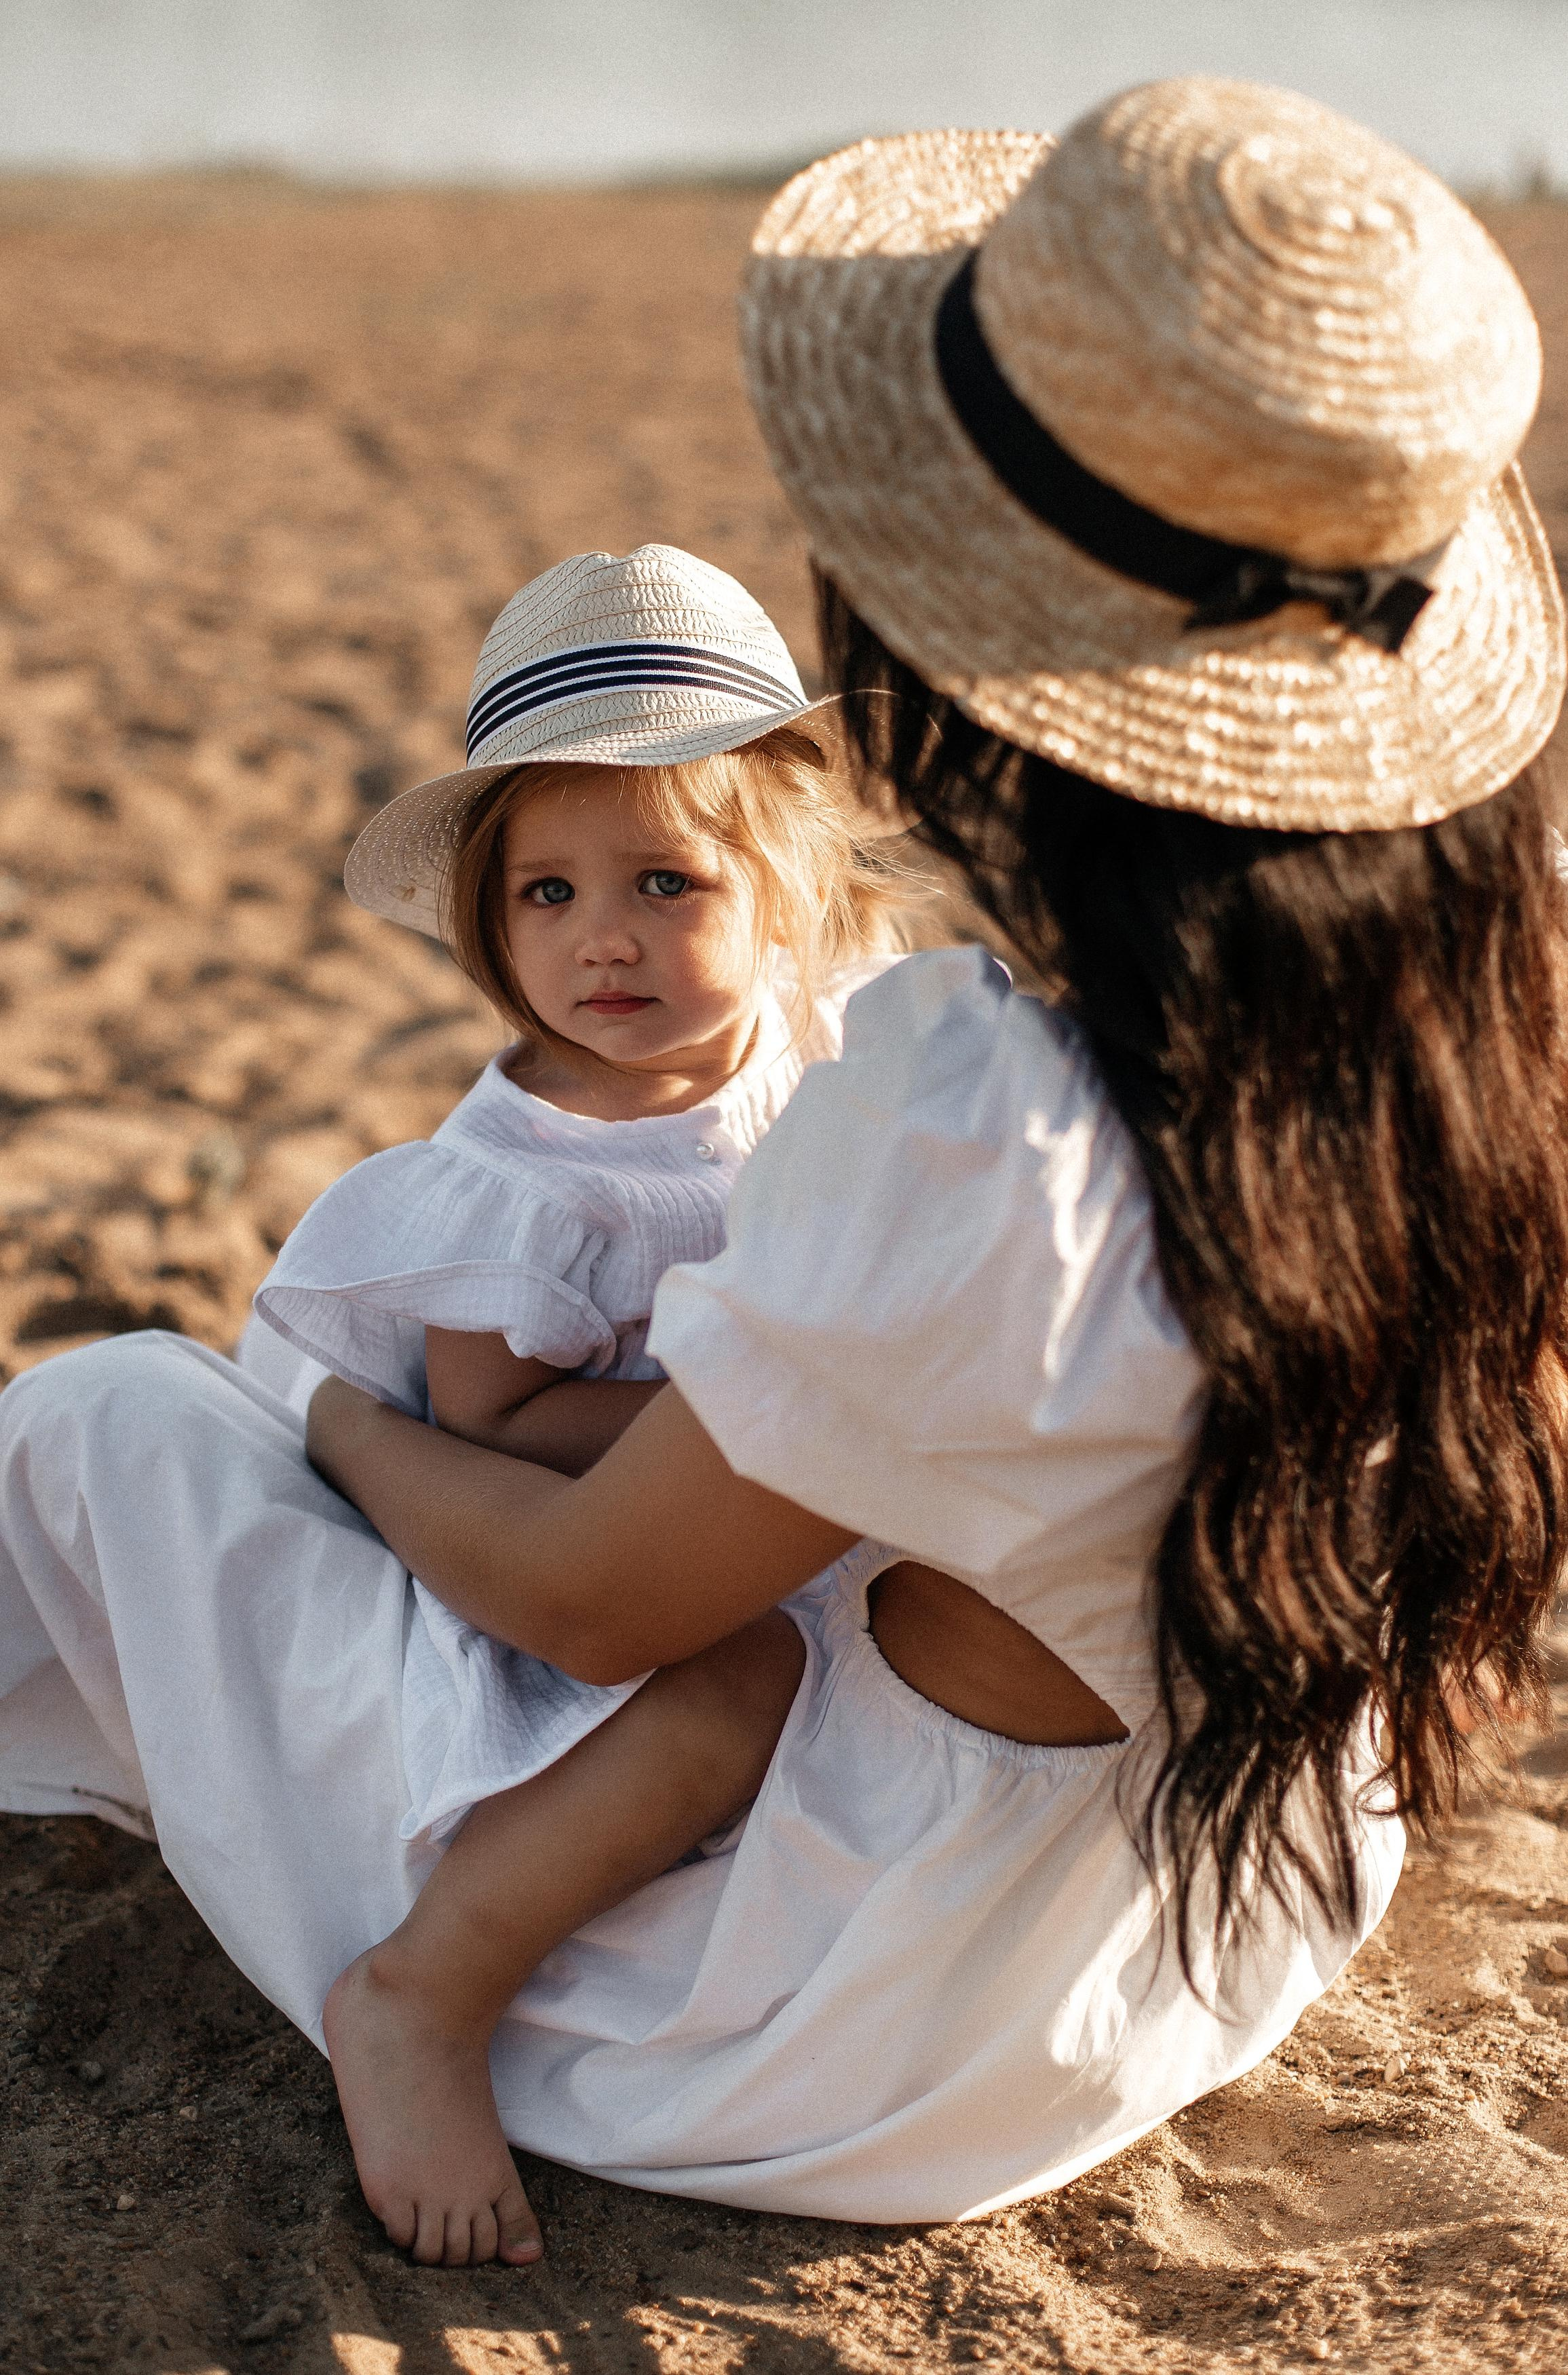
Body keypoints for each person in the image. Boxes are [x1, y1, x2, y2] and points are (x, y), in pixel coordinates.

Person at [1, 75, 1565, 2275]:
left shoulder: (981, 1121)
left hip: (869, 2016)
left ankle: (414, 1983)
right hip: (1188, 1914)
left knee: (120, 1416)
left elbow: (585, 1603)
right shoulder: (1482, 1001)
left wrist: (337, 1416)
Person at [248, 542, 901, 2257]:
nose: (601, 940)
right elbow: (501, 1417)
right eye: (547, 894)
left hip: (772, 1504)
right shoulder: (525, 1178)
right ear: (487, 915)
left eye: (664, 884)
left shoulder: (821, 1063)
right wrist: (746, 1423)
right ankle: (420, 1991)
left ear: (782, 884)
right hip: (546, 1550)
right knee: (735, 1681)